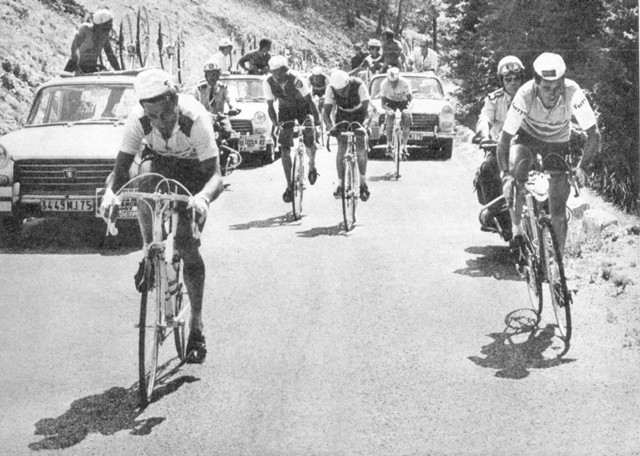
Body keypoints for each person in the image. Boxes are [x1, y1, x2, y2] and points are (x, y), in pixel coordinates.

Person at [100, 68, 224, 364]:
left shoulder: (195, 119)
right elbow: (120, 170)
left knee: (186, 244)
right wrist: (110, 194)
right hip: (160, 164)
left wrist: (203, 198)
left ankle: (197, 324)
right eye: (152, 117)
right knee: (142, 185)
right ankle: (149, 252)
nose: (159, 123)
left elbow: (216, 176)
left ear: (175, 101)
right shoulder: (139, 120)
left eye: (165, 116)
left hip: (195, 172)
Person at [498, 52, 600, 261]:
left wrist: (581, 167)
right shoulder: (525, 94)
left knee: (559, 209)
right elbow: (505, 140)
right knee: (517, 172)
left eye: (557, 88)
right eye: (546, 88)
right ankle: (517, 230)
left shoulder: (573, 92)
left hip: (557, 142)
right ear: (536, 84)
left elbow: (594, 135)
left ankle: (558, 266)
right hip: (528, 137)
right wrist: (505, 176)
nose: (552, 94)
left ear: (564, 82)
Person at [473, 56, 525, 239]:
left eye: (516, 78)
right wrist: (484, 135)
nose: (513, 83)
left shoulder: (530, 97)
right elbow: (484, 119)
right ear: (501, 80)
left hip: (525, 148)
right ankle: (495, 210)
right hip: (500, 149)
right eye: (508, 79)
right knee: (487, 169)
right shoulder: (494, 99)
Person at [264, 56, 321, 203]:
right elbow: (270, 107)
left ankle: (312, 164)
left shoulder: (297, 79)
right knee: (284, 147)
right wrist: (276, 125)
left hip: (303, 108)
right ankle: (289, 186)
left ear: (286, 70)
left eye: (280, 72)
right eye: (274, 72)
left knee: (309, 138)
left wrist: (318, 123)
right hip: (285, 110)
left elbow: (310, 101)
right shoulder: (268, 82)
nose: (277, 76)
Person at [322, 70, 372, 201]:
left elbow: (369, 110)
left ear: (348, 84)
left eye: (344, 90)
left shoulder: (359, 84)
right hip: (343, 115)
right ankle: (340, 184)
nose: (342, 93)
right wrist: (330, 128)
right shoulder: (330, 88)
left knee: (361, 148)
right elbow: (326, 113)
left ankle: (363, 182)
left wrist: (365, 126)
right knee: (341, 148)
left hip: (359, 114)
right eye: (339, 92)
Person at [64, 8, 121, 74]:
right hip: (74, 65)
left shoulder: (105, 36)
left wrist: (119, 72)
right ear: (101, 25)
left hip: (90, 67)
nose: (111, 27)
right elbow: (74, 47)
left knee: (104, 72)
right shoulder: (85, 29)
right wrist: (76, 67)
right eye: (109, 24)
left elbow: (110, 55)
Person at [192, 59, 238, 142]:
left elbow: (230, 98)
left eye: (214, 74)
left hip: (219, 118)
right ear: (205, 76)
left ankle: (228, 151)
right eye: (209, 74)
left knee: (228, 132)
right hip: (203, 118)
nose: (211, 77)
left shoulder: (223, 88)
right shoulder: (199, 88)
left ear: (218, 75)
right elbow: (192, 100)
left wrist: (233, 108)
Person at [380, 67, 412, 159]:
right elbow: (382, 103)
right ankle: (389, 145)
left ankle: (405, 146)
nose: (393, 83)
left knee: (406, 117)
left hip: (403, 102)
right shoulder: (384, 84)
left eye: (395, 81)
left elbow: (411, 100)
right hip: (390, 101)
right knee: (390, 116)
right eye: (391, 81)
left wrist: (408, 109)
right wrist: (387, 109)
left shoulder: (404, 83)